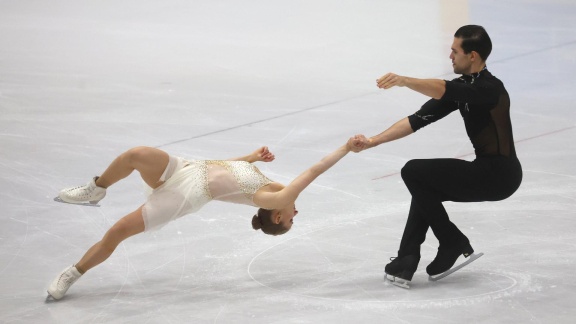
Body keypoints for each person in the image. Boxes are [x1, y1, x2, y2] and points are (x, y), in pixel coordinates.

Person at [47, 143, 352, 300]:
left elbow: (314, 171)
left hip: (186, 194)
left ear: (277, 215)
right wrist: (250, 157)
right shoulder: (269, 187)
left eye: (289, 221)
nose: (295, 215)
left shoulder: (273, 199)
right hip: (188, 168)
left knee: (117, 232)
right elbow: (226, 172)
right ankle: (95, 189)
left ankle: (73, 273)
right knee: (135, 154)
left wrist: (346, 148)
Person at [349, 25, 522, 287]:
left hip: (500, 175)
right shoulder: (464, 86)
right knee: (423, 185)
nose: (450, 56)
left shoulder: (489, 89)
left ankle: (452, 242)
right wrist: (373, 141)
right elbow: (417, 119)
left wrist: (405, 80)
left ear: (472, 55)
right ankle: (406, 259)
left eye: (455, 51)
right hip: (487, 171)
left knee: (414, 171)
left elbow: (445, 90)